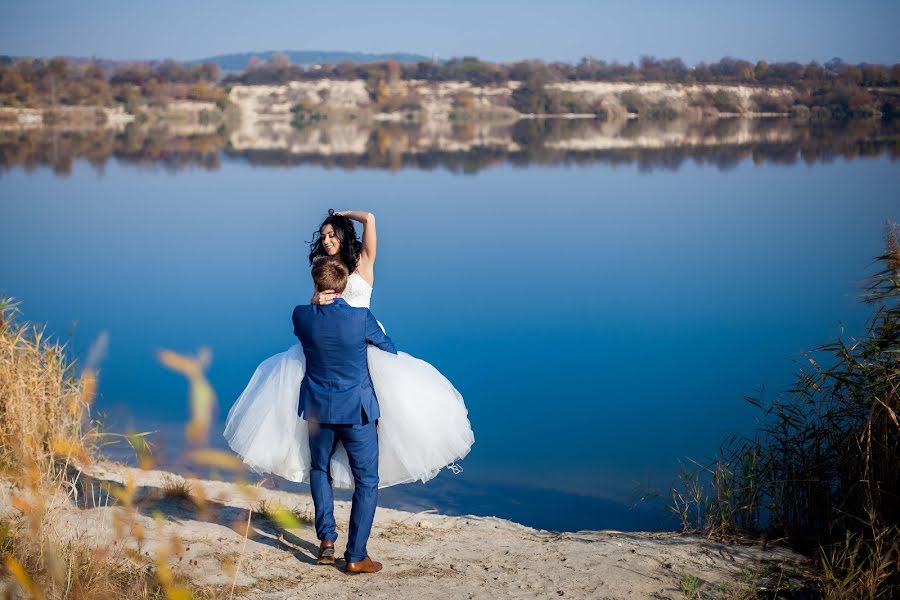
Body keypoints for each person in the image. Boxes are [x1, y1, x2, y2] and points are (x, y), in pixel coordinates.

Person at [224, 209, 473, 490]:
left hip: (364, 338)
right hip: (329, 342)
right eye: (324, 236)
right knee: (316, 403)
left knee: (384, 407)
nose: (327, 240)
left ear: (343, 235)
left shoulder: (364, 263)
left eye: (332, 234)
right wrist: (316, 298)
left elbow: (369, 218)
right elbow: (313, 306)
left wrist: (342, 213)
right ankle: (323, 465)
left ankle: (367, 464)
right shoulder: (322, 266)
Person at [293, 256, 393, 573]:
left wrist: (314, 302)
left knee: (320, 469)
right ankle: (355, 556)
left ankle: (326, 541)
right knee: (366, 481)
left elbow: (307, 322)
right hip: (357, 411)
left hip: (318, 409)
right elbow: (389, 349)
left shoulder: (301, 316)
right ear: (344, 286)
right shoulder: (361, 318)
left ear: (317, 286)